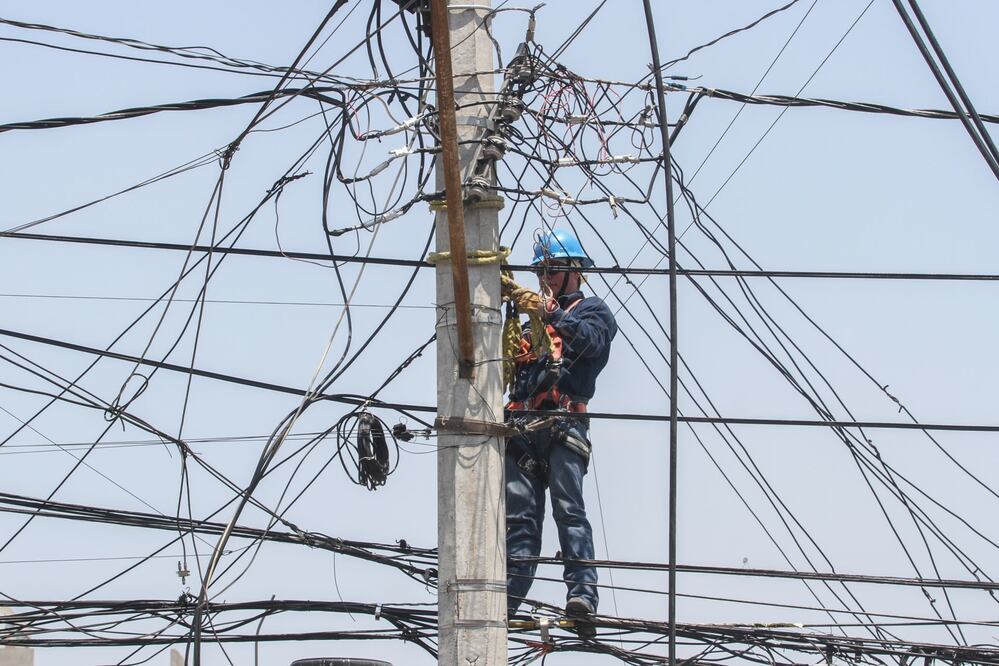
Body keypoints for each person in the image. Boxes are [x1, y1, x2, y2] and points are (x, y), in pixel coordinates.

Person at [505, 228, 618, 626]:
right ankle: (505, 603)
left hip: (563, 424)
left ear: (574, 271)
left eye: (553, 269)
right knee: (519, 523)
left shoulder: (593, 311)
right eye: (541, 270)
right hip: (520, 429)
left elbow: (592, 343)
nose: (545, 277)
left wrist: (550, 314)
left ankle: (583, 594)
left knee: (569, 510)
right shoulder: (529, 324)